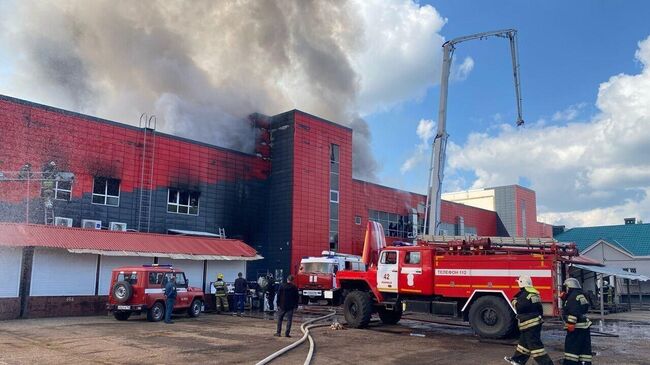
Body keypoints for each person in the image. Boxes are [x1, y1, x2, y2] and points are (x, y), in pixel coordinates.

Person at [504, 275, 553, 365]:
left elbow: (519, 308)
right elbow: (540, 309)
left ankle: (547, 363)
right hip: (535, 323)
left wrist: (514, 301)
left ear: (522, 283)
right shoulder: (534, 294)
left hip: (529, 325)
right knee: (524, 344)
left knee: (536, 347)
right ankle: (518, 360)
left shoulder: (524, 295)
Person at [562, 277, 592, 365]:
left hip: (576, 327)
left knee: (572, 348)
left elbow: (573, 311)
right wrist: (565, 299)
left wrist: (571, 324)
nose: (566, 289)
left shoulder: (572, 297)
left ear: (570, 287)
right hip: (584, 326)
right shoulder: (581, 295)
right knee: (584, 349)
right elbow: (582, 308)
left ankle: (570, 363)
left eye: (566, 287)